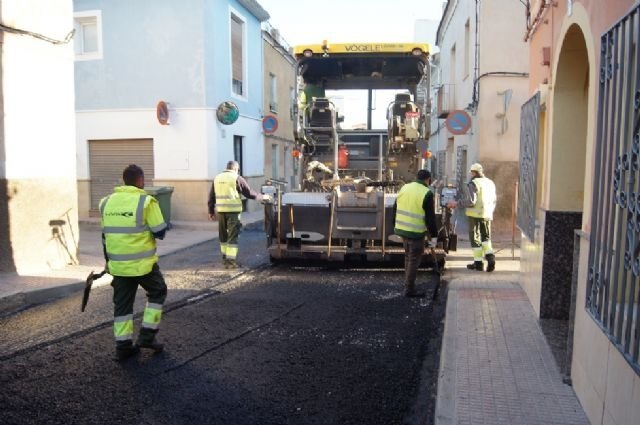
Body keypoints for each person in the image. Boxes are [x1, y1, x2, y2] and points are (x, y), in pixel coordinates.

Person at [99, 164, 168, 361]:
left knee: (122, 306)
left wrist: (108, 263)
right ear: (140, 180)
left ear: (124, 180)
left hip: (118, 267)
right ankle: (147, 336)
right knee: (158, 291)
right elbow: (160, 231)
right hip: (143, 265)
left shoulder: (105, 202)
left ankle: (123, 348)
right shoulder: (146, 201)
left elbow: (106, 236)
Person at [208, 161, 269, 268]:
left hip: (221, 212)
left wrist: (211, 211)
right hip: (233, 213)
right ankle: (230, 263)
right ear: (236, 169)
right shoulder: (236, 178)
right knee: (232, 236)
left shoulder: (217, 178)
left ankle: (225, 260)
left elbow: (211, 196)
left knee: (223, 237)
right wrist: (263, 197)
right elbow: (249, 193)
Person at [393, 169, 438, 297]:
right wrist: (433, 237)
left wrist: (394, 226)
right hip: (415, 232)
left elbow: (395, 207)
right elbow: (430, 218)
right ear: (428, 179)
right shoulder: (427, 193)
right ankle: (409, 289)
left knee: (408, 257)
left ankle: (407, 285)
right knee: (413, 259)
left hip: (402, 229)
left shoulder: (405, 187)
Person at [447, 163, 497, 272]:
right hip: (487, 213)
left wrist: (456, 203)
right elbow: (494, 200)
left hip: (474, 214)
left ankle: (478, 263)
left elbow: (471, 201)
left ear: (473, 172)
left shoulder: (473, 183)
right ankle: (490, 258)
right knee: (486, 237)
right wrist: (490, 211)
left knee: (475, 237)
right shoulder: (490, 182)